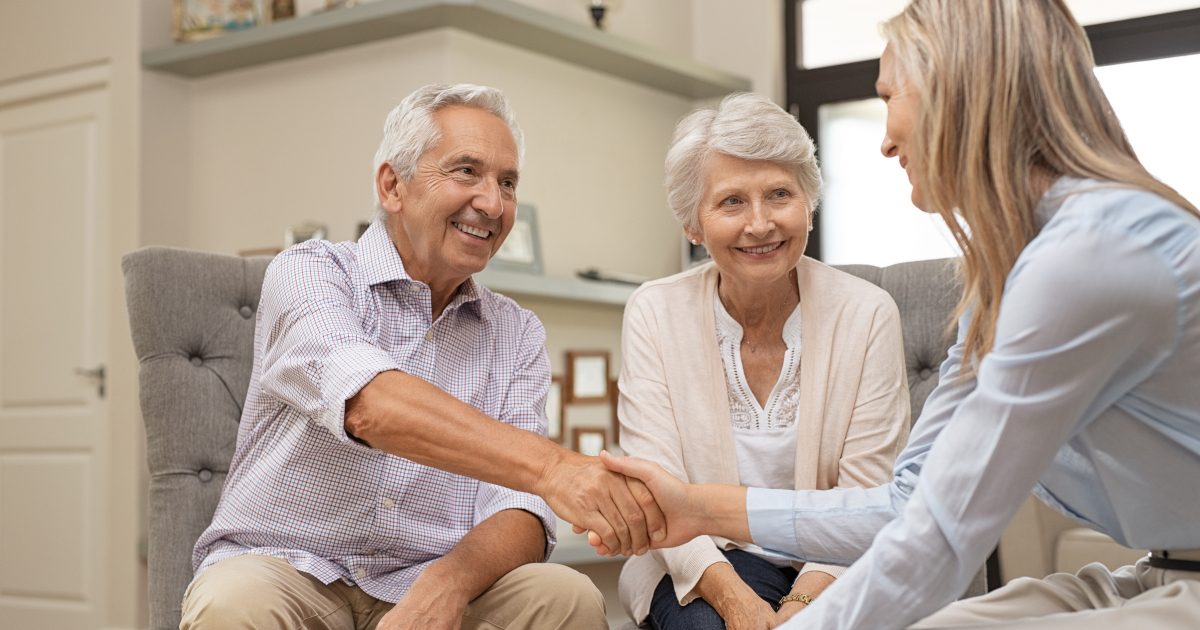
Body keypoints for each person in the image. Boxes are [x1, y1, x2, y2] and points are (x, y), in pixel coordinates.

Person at [596, 1, 1200, 628]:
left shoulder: (1091, 254)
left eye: (889, 96)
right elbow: (908, 505)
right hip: (1158, 570)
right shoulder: (1005, 277)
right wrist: (698, 507)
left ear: (957, 94)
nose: (884, 139)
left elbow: (941, 533)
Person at [179, 83, 664, 629]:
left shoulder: (517, 331)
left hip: (432, 573)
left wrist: (447, 585)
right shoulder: (310, 273)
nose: (493, 203)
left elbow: (521, 510)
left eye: (507, 183)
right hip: (288, 570)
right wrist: (554, 468)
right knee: (232, 601)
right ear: (393, 185)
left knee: (563, 595)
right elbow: (368, 404)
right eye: (466, 172)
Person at [612, 92, 910, 629]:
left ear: (808, 204)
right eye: (731, 202)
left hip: (837, 565)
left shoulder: (867, 314)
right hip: (701, 565)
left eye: (779, 195)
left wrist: (796, 609)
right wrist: (740, 604)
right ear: (692, 224)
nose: (760, 224)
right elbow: (656, 491)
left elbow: (866, 500)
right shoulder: (655, 311)